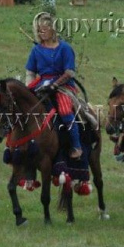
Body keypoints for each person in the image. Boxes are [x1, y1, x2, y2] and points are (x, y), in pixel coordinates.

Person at [25, 13, 83, 159]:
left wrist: (55, 85)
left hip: (63, 86)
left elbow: (69, 72)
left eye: (44, 29)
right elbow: (30, 72)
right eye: (39, 30)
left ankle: (76, 145)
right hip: (41, 83)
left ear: (53, 30)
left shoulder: (65, 48)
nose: (41, 33)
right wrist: (28, 88)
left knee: (64, 110)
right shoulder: (36, 50)